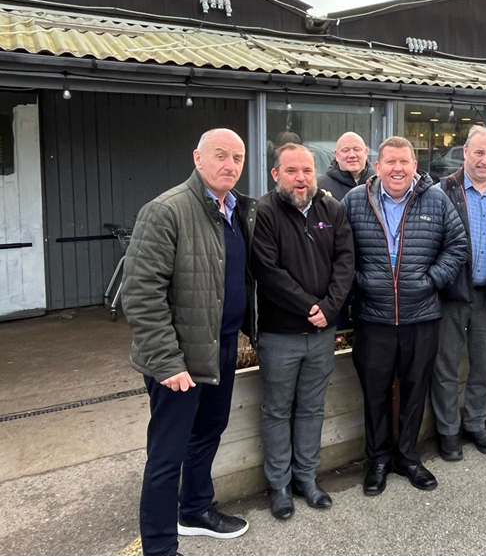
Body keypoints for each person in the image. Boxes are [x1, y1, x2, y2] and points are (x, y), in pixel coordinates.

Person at [122, 129, 255, 557]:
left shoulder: (235, 210)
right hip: (178, 360)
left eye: (238, 157)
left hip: (221, 348)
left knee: (208, 434)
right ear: (197, 158)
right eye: (221, 155)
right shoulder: (166, 211)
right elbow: (141, 295)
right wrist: (166, 362)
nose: (230, 165)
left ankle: (195, 510)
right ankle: (159, 548)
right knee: (167, 455)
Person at [341, 136, 468, 495]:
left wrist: (431, 280)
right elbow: (340, 252)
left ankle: (409, 458)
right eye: (390, 162)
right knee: (375, 392)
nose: (398, 168)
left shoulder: (436, 199)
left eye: (405, 162)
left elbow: (456, 245)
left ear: (415, 165)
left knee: (415, 390)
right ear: (377, 166)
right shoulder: (355, 200)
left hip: (422, 315)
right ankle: (379, 459)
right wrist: (360, 281)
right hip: (372, 315)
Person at [250, 143, 355, 520]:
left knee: (312, 408)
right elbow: (267, 270)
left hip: (322, 332)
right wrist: (308, 307)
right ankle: (279, 485)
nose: (301, 178)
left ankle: (306, 479)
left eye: (307, 170)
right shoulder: (263, 212)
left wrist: (329, 308)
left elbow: (346, 261)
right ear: (276, 174)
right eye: (292, 170)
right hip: (281, 335)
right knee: (277, 410)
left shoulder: (332, 209)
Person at [432, 126, 486, 461]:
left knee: (484, 366)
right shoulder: (442, 192)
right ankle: (448, 430)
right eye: (479, 152)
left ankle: (476, 423)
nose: (484, 160)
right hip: (451, 295)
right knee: (446, 366)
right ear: (465, 152)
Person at [318, 132, 376, 200]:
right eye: (345, 150)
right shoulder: (320, 187)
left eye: (357, 149)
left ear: (366, 152)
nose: (352, 155)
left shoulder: (379, 183)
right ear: (336, 154)